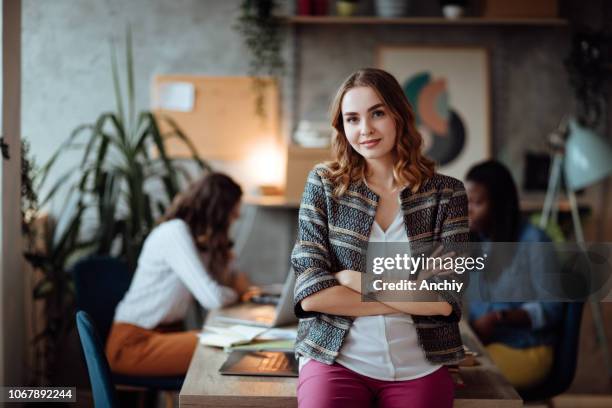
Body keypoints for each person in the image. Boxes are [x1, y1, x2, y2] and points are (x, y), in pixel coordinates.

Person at [291, 68, 469, 408]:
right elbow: (311, 295)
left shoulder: (447, 194)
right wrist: (412, 296)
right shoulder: (326, 185)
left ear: (399, 115)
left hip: (421, 364)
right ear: (342, 127)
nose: (365, 129)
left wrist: (355, 280)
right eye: (352, 119)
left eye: (377, 113)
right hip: (336, 359)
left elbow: (446, 298)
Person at [106, 172, 249, 376]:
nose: (232, 223)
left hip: (164, 336)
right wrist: (236, 292)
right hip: (132, 343)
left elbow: (227, 281)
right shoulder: (174, 232)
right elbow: (214, 297)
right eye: (232, 216)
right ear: (218, 212)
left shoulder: (197, 242)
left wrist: (222, 253)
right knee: (224, 348)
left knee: (227, 345)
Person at [466, 160, 563, 390]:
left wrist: (498, 318)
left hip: (526, 349)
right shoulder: (477, 240)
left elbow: (551, 310)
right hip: (484, 345)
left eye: (476, 203)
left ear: (499, 206)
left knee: (462, 380)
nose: (466, 210)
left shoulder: (535, 242)